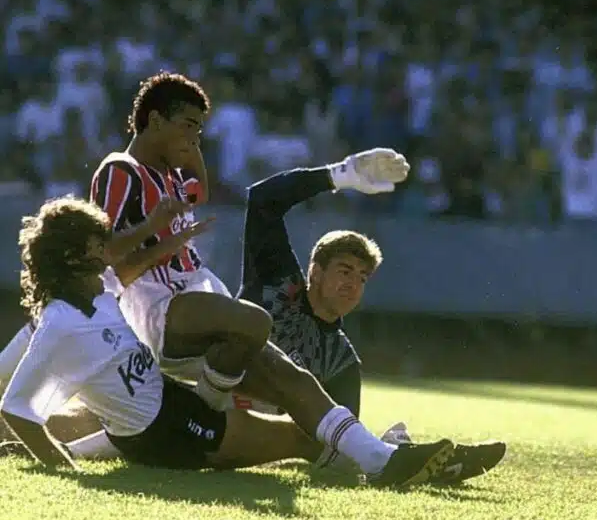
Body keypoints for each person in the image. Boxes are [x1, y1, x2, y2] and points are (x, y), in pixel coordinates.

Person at [87, 71, 454, 484]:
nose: (196, 138)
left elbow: (199, 193)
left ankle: (383, 460)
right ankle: (205, 410)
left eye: (200, 130)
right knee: (253, 320)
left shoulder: (170, 173)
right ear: (154, 121)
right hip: (154, 306)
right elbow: (110, 258)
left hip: (198, 302)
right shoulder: (121, 170)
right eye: (188, 126)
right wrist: (161, 237)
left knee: (292, 380)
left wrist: (191, 152)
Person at [0, 196, 451, 485]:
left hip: (172, 411)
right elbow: (15, 406)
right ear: (73, 256)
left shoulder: (99, 294)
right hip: (171, 433)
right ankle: (394, 461)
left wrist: (171, 235)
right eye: (98, 244)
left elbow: (124, 271)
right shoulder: (59, 321)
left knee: (299, 429)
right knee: (298, 439)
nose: (107, 249)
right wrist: (65, 471)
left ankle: (391, 458)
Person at [233, 164, 506, 483]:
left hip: (263, 439)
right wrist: (337, 175)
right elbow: (262, 198)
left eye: (362, 277)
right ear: (316, 272)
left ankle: (419, 458)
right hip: (214, 398)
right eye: (345, 271)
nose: (354, 284)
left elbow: (341, 446)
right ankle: (402, 451)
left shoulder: (341, 359)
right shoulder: (277, 282)